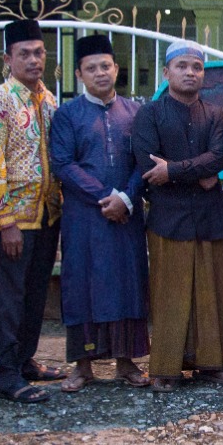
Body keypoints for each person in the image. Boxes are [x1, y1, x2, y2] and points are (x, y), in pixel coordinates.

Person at [132, 38, 223, 391]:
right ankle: (165, 369)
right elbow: (148, 164)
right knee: (170, 294)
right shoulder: (150, 114)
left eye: (197, 67)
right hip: (169, 218)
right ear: (167, 72)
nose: (190, 73)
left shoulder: (216, 114)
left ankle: (211, 365)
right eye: (183, 66)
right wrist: (197, 173)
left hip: (209, 218)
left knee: (212, 293)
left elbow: (219, 157)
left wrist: (174, 171)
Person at [49, 35, 150, 393]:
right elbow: (62, 164)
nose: (100, 73)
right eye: (91, 68)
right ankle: (83, 366)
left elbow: (145, 162)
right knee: (83, 285)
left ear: (116, 68)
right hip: (84, 219)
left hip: (127, 215)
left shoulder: (136, 113)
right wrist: (106, 196)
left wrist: (126, 196)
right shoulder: (67, 115)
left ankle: (127, 362)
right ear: (79, 74)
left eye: (105, 65)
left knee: (128, 283)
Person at [0, 18, 65, 404]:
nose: (33, 60)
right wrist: (6, 221)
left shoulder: (48, 100)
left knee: (34, 295)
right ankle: (7, 374)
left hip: (47, 216)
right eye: (24, 54)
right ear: (7, 58)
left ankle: (26, 359)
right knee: (9, 298)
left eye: (39, 53)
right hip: (13, 222)